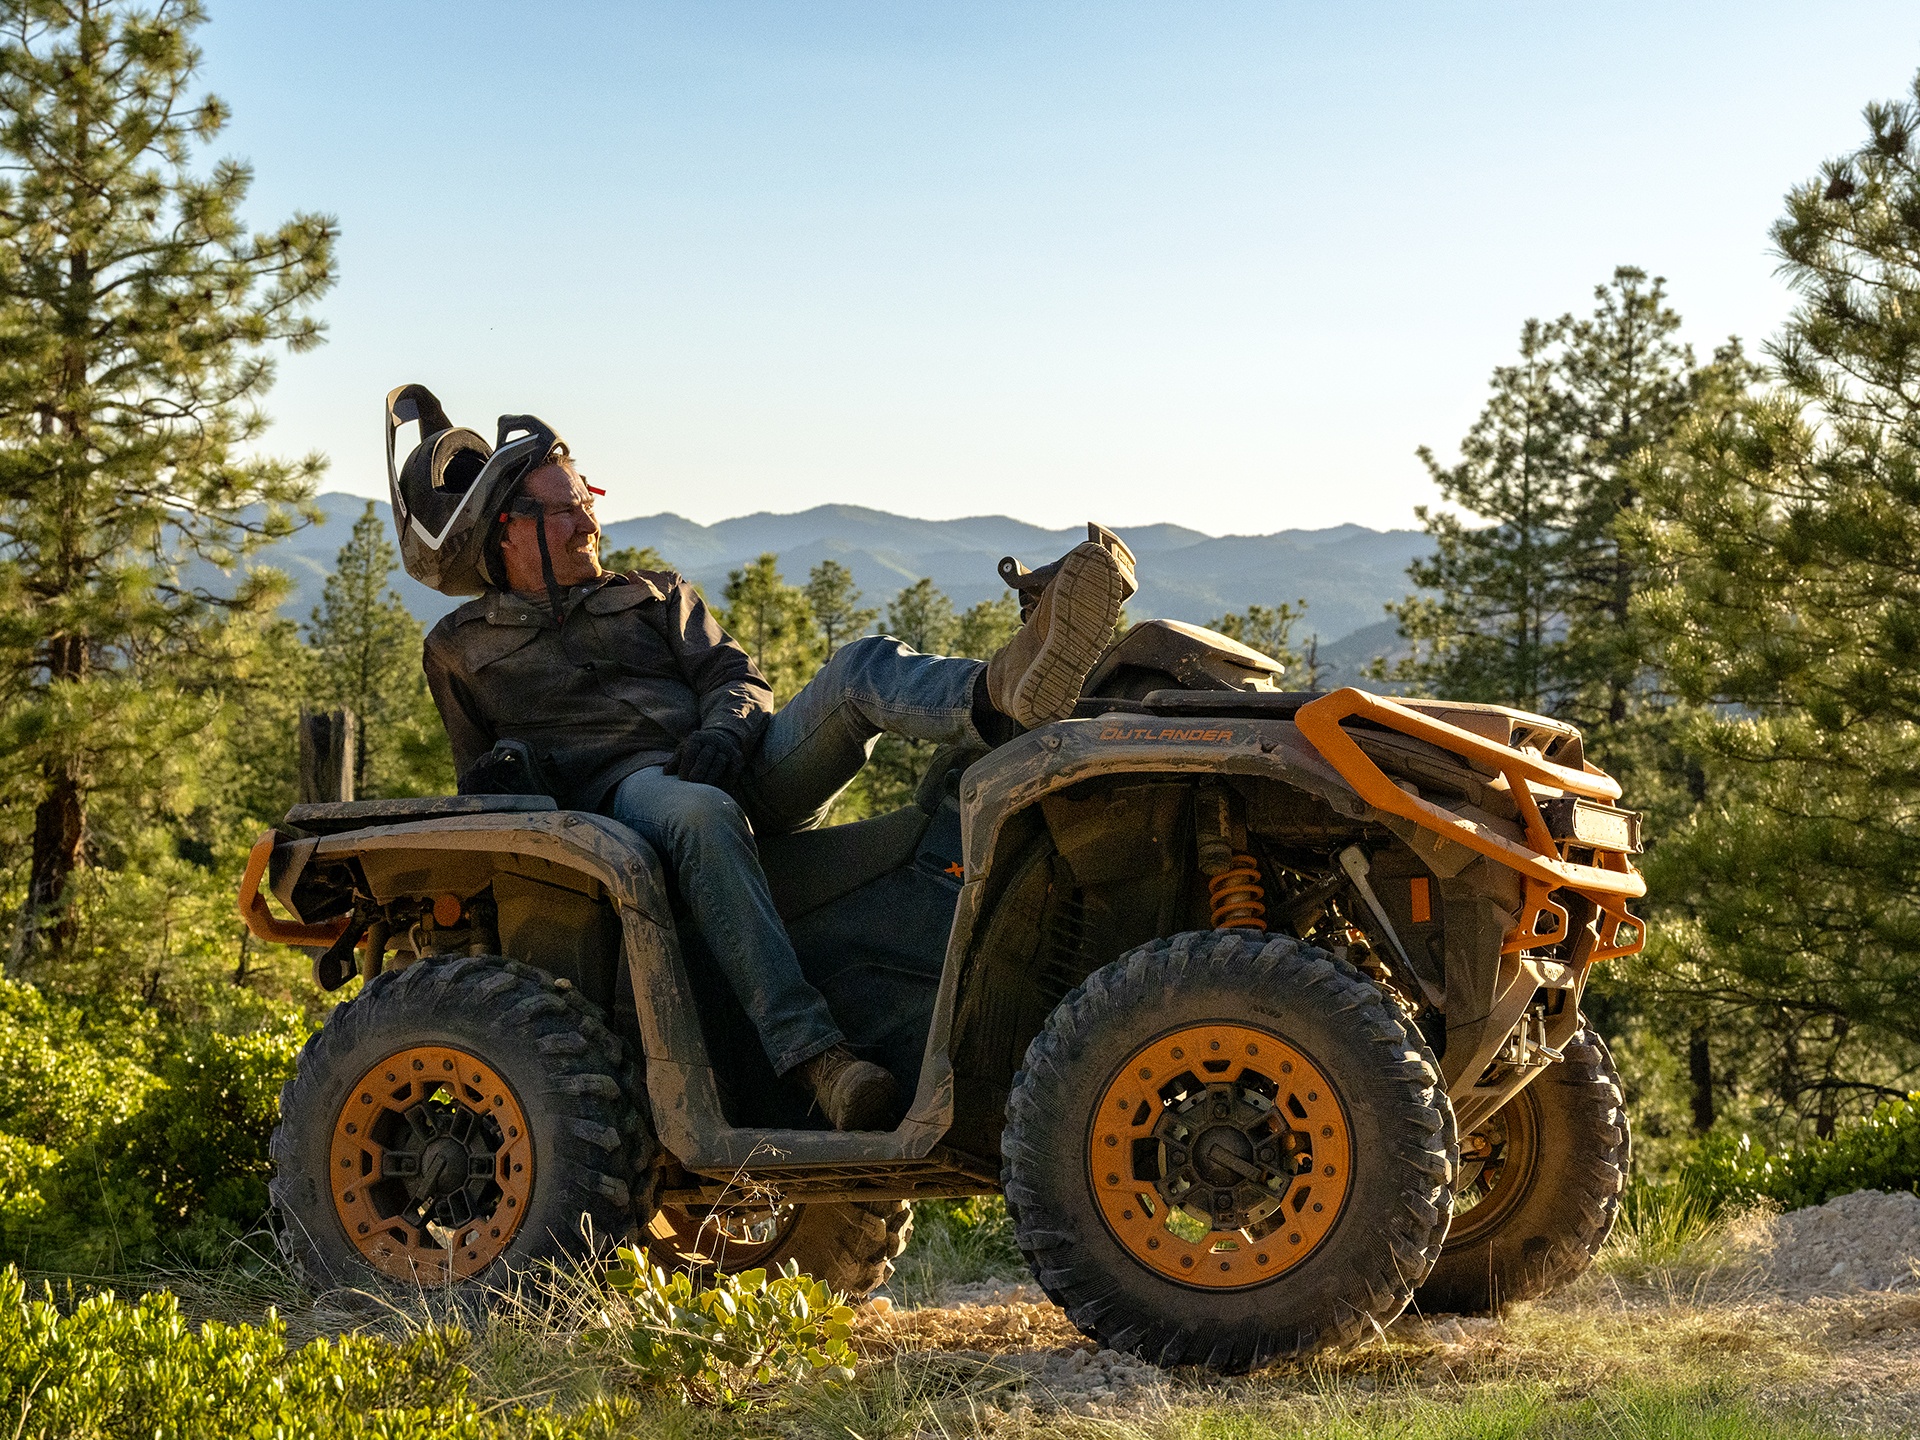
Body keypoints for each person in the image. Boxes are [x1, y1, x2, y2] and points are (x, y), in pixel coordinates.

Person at [410, 422, 1134, 1132]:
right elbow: (482, 787)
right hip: (631, 803)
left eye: (587, 500)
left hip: (736, 767)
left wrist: (727, 730)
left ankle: (1005, 697)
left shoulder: (655, 594)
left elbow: (737, 675)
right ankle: (814, 1058)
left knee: (856, 669)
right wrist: (515, 776)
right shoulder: (458, 648)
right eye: (564, 509)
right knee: (696, 813)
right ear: (508, 532)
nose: (587, 522)